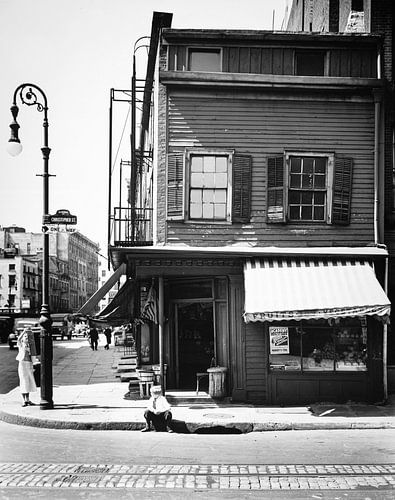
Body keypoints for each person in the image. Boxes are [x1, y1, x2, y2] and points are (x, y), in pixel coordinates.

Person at [16, 327, 38, 407]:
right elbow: (18, 339)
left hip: (29, 364)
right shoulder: (21, 345)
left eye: (27, 337)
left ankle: (27, 399)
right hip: (22, 364)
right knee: (23, 381)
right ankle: (23, 400)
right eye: (25, 337)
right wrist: (24, 332)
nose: (27, 338)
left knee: (28, 382)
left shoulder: (30, 347)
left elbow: (33, 356)